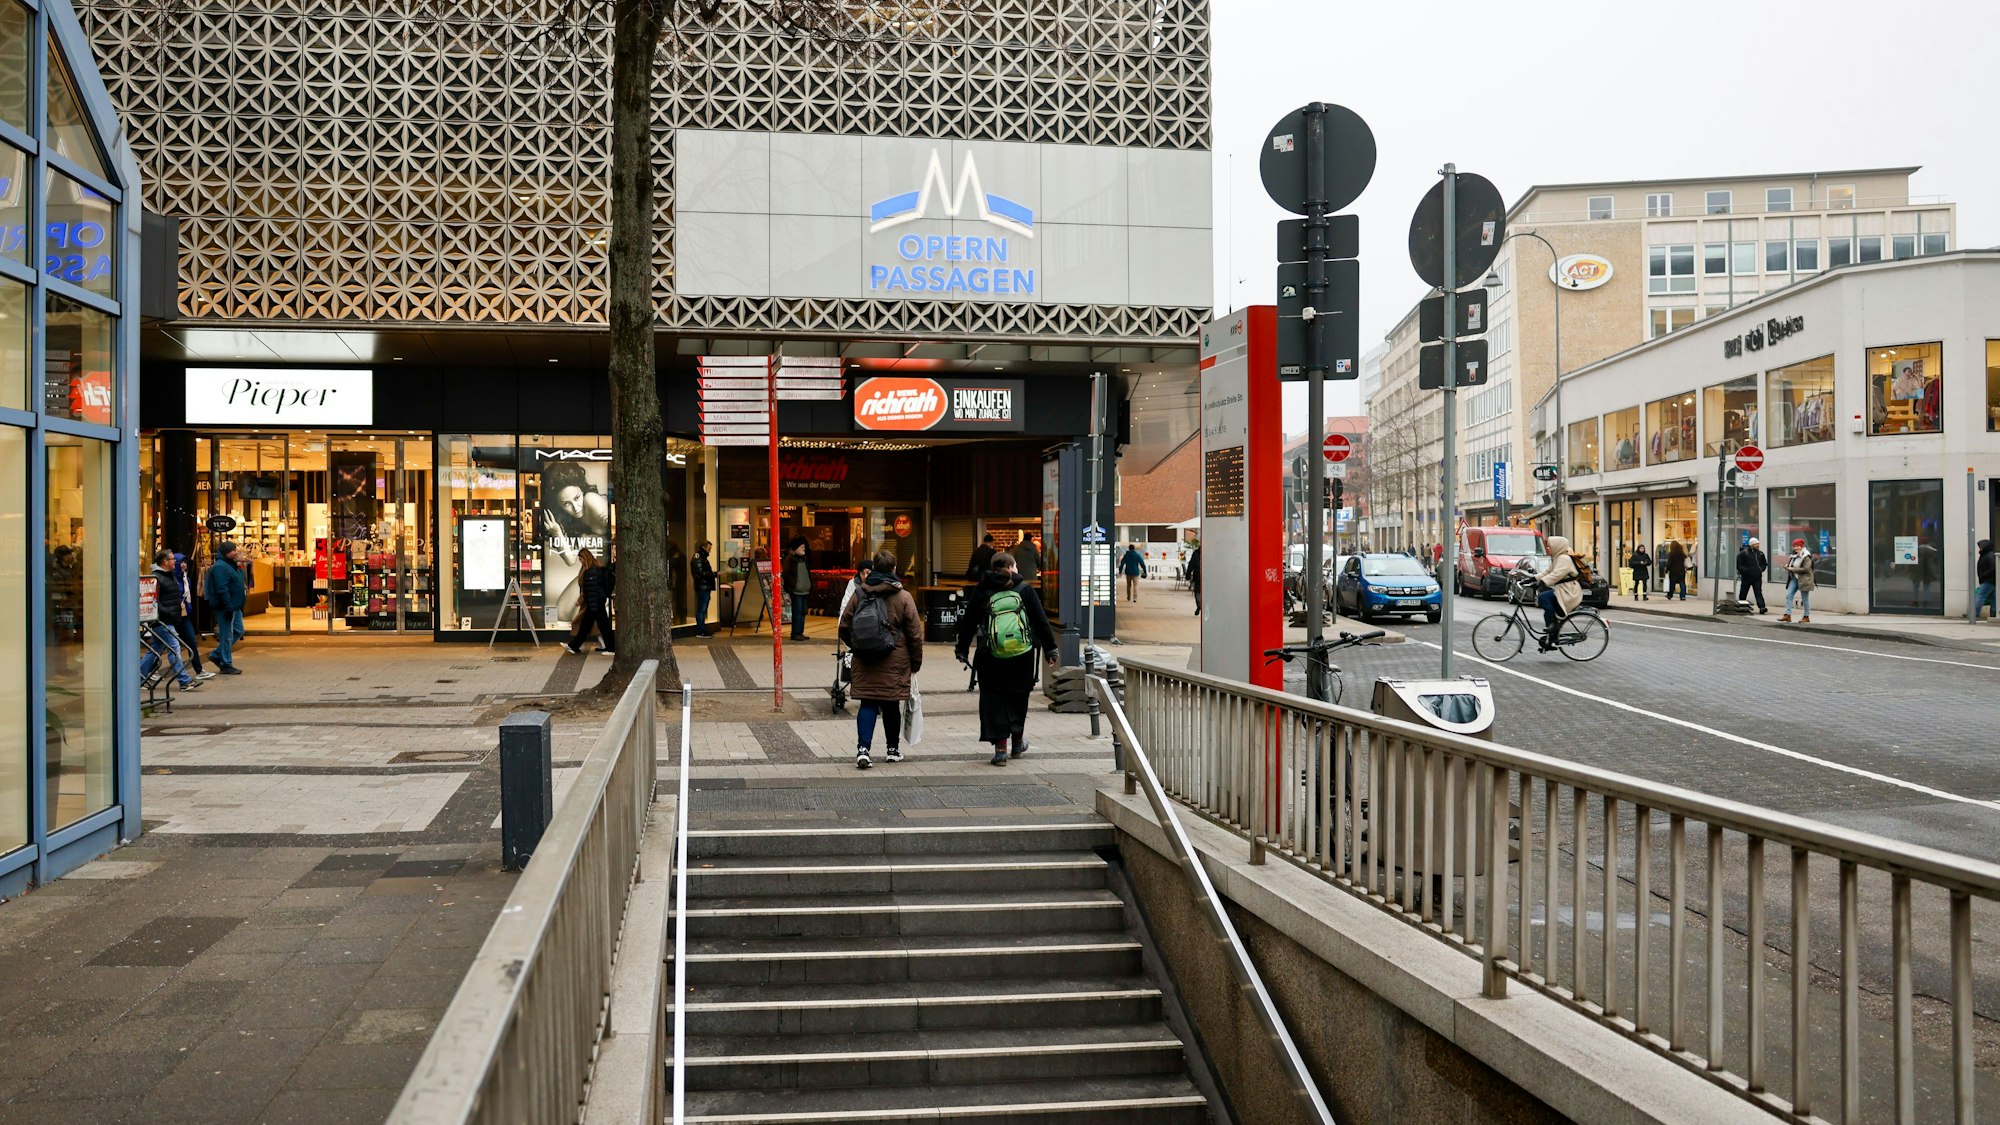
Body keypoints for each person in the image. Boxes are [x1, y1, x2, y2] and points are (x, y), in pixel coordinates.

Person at [956, 551, 1060, 766]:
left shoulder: (982, 590)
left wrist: (962, 650)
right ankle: (1017, 742)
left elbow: (969, 623)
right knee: (1018, 697)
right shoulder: (1024, 589)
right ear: (1012, 567)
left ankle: (1000, 749)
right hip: (1022, 655)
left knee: (994, 699)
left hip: (990, 654)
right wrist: (1051, 649)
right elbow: (1040, 621)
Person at [838, 550, 923, 769]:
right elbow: (915, 635)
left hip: (865, 658)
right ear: (894, 569)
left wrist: (856, 645)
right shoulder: (903, 597)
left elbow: (844, 626)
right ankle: (892, 750)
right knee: (891, 703)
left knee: (867, 703)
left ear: (873, 569)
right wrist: (915, 663)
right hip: (895, 658)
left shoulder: (860, 593)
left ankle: (863, 750)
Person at [147, 549, 199, 691]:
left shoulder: (169, 575)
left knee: (154, 650)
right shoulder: (156, 578)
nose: (175, 562)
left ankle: (139, 676)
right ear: (165, 562)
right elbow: (153, 601)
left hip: (169, 619)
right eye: (172, 559)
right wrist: (167, 611)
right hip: (162, 620)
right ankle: (184, 680)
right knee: (174, 646)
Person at [1532, 535, 1584, 651]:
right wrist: (1532, 578)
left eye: (1550, 546)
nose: (1548, 548)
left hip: (1569, 591)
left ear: (1557, 546)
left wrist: (1542, 582)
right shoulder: (1557, 558)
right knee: (1547, 613)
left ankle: (1555, 624)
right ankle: (1551, 639)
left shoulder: (1564, 559)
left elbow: (1556, 575)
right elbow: (1547, 572)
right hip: (1563, 590)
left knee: (1543, 598)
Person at [204, 543, 247, 674]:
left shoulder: (230, 565)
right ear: (225, 552)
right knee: (227, 635)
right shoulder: (220, 567)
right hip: (226, 606)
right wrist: (227, 607)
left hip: (234, 605)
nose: (235, 552)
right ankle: (225, 663)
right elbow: (221, 589)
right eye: (232, 550)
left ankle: (217, 654)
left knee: (238, 630)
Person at [168, 550, 211, 680]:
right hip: (172, 616)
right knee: (162, 645)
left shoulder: (185, 578)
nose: (183, 565)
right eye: (180, 562)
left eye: (184, 562)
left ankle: (199, 670)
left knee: (191, 641)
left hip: (184, 615)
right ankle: (147, 671)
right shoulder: (171, 579)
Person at [564, 548, 615, 654]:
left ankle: (575, 646)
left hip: (594, 603)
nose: (581, 562)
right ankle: (609, 647)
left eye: (581, 559)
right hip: (596, 602)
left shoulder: (591, 571)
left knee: (590, 626)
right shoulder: (596, 568)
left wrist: (586, 602)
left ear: (585, 558)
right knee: (596, 626)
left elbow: (592, 589)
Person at [1779, 538, 1815, 624]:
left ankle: (1806, 616)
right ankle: (1787, 615)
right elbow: (1793, 565)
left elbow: (1806, 568)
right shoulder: (1794, 555)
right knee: (1789, 595)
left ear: (1802, 546)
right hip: (1794, 578)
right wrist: (1787, 566)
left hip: (1804, 579)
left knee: (1804, 598)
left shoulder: (1806, 556)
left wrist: (1792, 569)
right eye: (1794, 546)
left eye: (1797, 546)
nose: (1795, 548)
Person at [785, 538, 813, 641]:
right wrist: (793, 585)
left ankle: (800, 632)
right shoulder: (790, 559)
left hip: (805, 590)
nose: (803, 549)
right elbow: (787, 574)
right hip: (796, 591)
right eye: (801, 547)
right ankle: (796, 633)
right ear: (795, 548)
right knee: (797, 612)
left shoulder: (804, 559)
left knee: (803, 612)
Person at [1736, 537, 1769, 614]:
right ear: (1751, 544)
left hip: (1757, 577)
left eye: (1758, 544)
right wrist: (1745, 571)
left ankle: (1762, 607)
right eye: (1755, 544)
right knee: (1743, 591)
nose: (1757, 545)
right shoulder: (1743, 553)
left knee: (1758, 592)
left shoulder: (1760, 554)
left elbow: (1764, 563)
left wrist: (1761, 569)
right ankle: (1742, 606)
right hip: (1746, 577)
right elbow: (1739, 565)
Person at [690, 541, 717, 637]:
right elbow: (701, 573)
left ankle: (702, 629)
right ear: (704, 547)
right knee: (702, 609)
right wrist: (714, 574)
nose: (709, 551)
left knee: (702, 608)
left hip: (704, 586)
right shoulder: (698, 558)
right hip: (702, 587)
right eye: (709, 549)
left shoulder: (701, 558)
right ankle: (700, 630)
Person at [1975, 539, 1995, 622]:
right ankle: (1994, 614)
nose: (1980, 548)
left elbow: (1993, 568)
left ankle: (1974, 613)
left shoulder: (1989, 556)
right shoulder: (1986, 555)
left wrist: (1984, 575)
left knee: (1980, 596)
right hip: (1990, 580)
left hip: (1988, 580)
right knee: (1993, 598)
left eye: (1981, 547)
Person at [1187, 545, 1202, 615]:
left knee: (1197, 592)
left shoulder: (1195, 553)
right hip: (1207, 577)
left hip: (1197, 576)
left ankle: (1199, 605)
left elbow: (1191, 565)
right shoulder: (1210, 553)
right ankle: (1200, 605)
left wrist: (1188, 574)